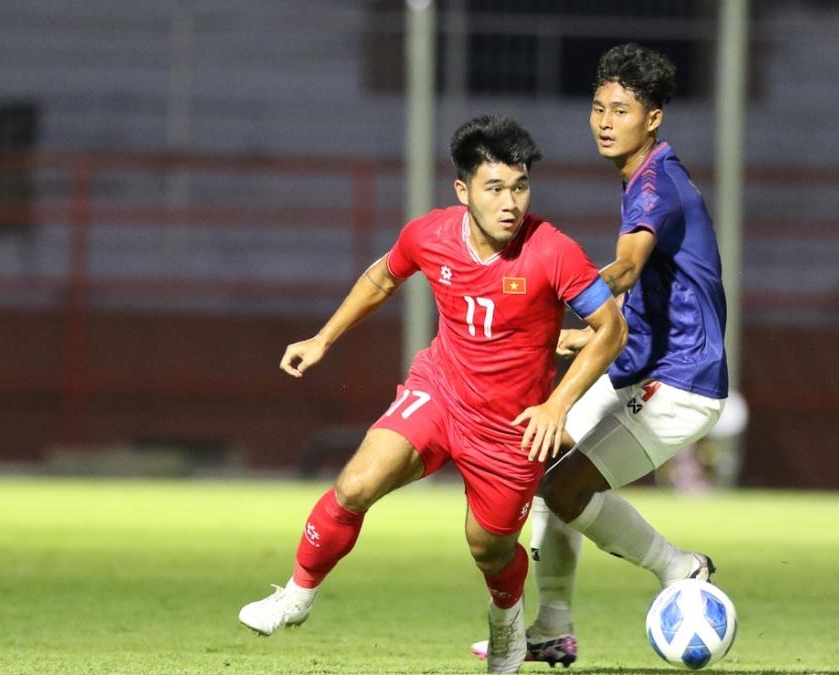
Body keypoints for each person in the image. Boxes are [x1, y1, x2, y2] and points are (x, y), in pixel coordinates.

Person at [237, 115, 627, 675]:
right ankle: (296, 595)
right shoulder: (429, 234)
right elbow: (383, 276)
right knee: (356, 483)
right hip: (440, 392)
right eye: (495, 189)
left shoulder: (554, 251)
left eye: (520, 187)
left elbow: (611, 329)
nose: (510, 203)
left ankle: (506, 626)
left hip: (512, 426)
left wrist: (556, 404)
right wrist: (323, 338)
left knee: (488, 549)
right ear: (464, 191)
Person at [471, 43, 728, 668]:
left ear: (654, 117)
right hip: (644, 367)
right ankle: (553, 627)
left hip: (681, 383)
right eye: (598, 107)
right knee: (544, 461)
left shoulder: (652, 189)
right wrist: (582, 337)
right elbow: (653, 300)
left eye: (621, 109)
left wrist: (554, 300)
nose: (605, 120)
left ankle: (680, 568)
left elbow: (628, 268)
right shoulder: (649, 178)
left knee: (564, 488)